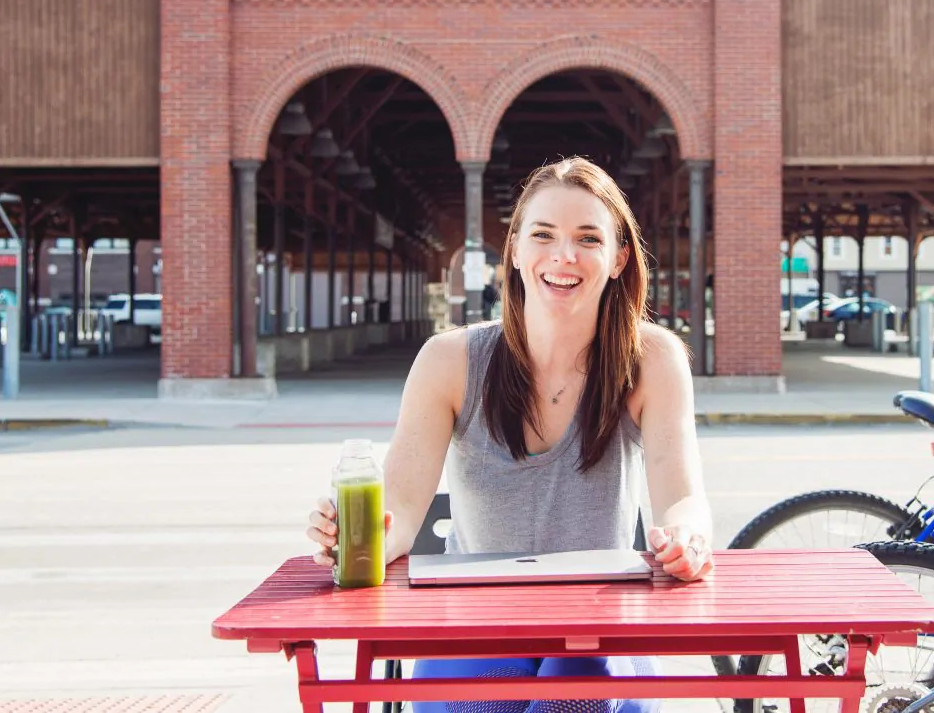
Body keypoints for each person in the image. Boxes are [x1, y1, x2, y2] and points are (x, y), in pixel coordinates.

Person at [306, 156, 713, 713]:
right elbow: (398, 505)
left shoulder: (652, 358)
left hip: (600, 625)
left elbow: (682, 497)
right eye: (543, 234)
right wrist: (359, 537)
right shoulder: (449, 361)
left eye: (587, 238)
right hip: (475, 623)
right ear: (516, 250)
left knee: (576, 695)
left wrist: (686, 538)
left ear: (619, 259)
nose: (563, 255)